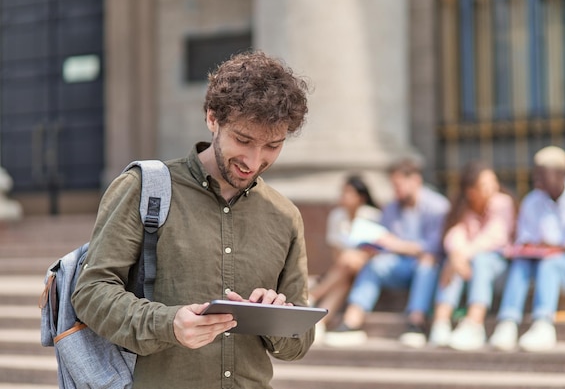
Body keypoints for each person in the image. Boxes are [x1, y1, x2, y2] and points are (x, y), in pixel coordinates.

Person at [72, 51, 313, 388]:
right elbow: (91, 293)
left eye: (273, 146)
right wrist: (167, 324)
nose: (254, 161)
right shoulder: (143, 188)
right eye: (243, 140)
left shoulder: (285, 216)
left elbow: (300, 341)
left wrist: (277, 317)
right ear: (212, 118)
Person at [489, 146, 565, 352]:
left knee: (551, 262)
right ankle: (507, 322)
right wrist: (529, 248)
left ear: (560, 174)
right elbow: (524, 239)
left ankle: (543, 324)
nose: (536, 178)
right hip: (538, 267)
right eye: (536, 172)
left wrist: (556, 248)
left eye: (542, 173)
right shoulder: (532, 201)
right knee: (521, 262)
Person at [324, 157, 450, 348]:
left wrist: (397, 245)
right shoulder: (392, 207)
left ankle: (416, 322)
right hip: (398, 264)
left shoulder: (438, 206)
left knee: (427, 262)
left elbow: (435, 246)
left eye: (398, 185)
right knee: (374, 265)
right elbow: (383, 237)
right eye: (393, 185)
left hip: (431, 267)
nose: (396, 190)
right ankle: (352, 321)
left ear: (415, 180)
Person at [428, 161, 516, 351]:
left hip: (498, 269)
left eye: (494, 182)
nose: (492, 188)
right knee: (452, 262)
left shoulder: (502, 203)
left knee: (479, 259)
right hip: (467, 270)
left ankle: (474, 323)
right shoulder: (463, 209)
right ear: (471, 191)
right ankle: (441, 322)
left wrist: (460, 256)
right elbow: (454, 235)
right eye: (485, 185)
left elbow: (494, 237)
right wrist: (456, 256)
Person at [308, 175, 381, 337]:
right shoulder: (336, 216)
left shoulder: (373, 216)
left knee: (348, 261)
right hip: (343, 269)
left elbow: (372, 250)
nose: (343, 196)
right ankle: (320, 324)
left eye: (348, 192)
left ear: (360, 197)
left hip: (367, 266)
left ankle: (313, 296)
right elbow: (336, 252)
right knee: (344, 281)